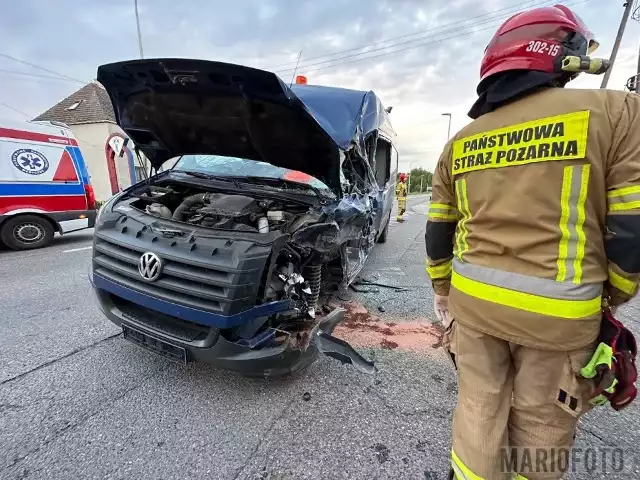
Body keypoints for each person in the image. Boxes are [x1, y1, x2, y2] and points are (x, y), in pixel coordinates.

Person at [425, 5, 639, 479]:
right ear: (564, 54)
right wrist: (615, 295)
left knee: (478, 406)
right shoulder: (617, 113)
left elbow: (438, 231)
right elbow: (631, 230)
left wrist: (442, 290)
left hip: (474, 307)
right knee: (541, 420)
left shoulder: (461, 141)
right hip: (560, 317)